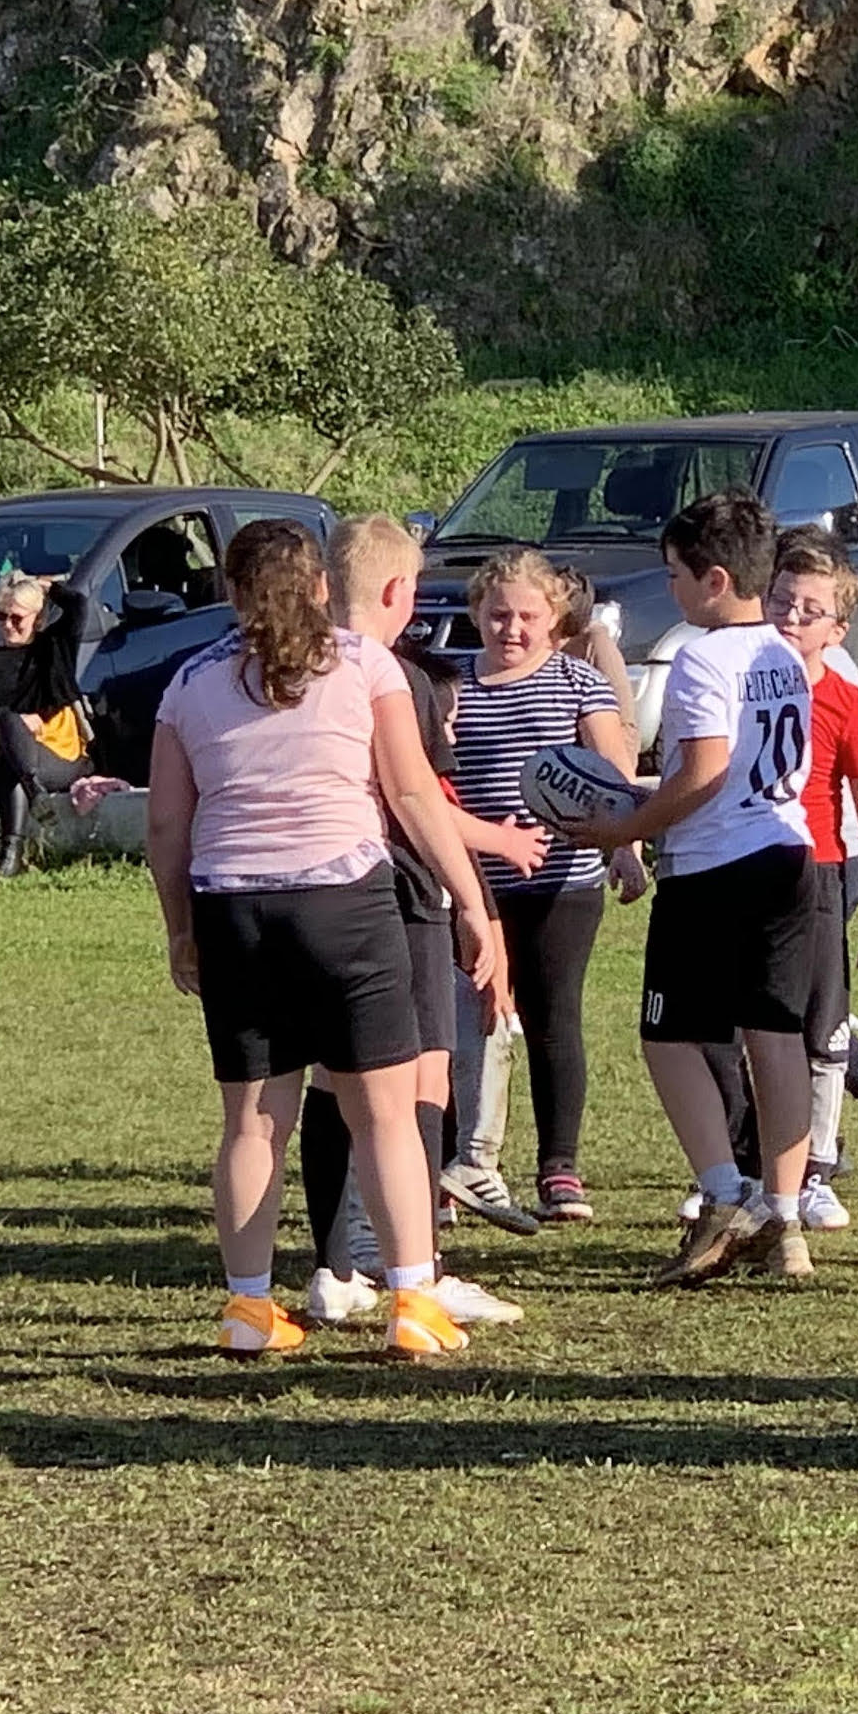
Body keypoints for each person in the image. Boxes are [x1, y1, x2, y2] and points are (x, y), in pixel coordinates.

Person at [150, 517, 505, 1359]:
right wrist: (471, 902)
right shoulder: (364, 664)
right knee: (383, 1111)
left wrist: (180, 927)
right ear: (319, 587)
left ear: (231, 592)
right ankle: (412, 1297)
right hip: (345, 903)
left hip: (235, 907)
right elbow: (412, 795)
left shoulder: (188, 682)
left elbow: (166, 824)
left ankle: (247, 1307)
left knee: (252, 1122)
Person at [559, 488, 822, 1286]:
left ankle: (724, 1193)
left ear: (715, 580)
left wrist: (625, 827)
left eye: (674, 573)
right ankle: (785, 1217)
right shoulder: (783, 652)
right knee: (775, 1035)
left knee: (668, 1035)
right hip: (787, 853)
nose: (668, 587)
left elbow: (705, 770)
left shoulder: (703, 657)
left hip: (716, 865)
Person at [298, 516, 530, 1327]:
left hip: (313, 889)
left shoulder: (292, 665)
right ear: (399, 590)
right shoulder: (399, 677)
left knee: (332, 1073)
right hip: (401, 887)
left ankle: (333, 1264)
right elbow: (420, 797)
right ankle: (417, 1266)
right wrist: (476, 898)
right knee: (425, 1073)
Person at [443, 547, 639, 1224]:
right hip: (475, 883)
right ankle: (453, 1162)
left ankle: (559, 1168)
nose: (513, 629)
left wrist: (625, 847)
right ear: (477, 613)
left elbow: (613, 772)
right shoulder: (452, 686)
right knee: (471, 1022)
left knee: (553, 1017)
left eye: (528, 616)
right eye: (499, 615)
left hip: (563, 882)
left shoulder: (577, 682)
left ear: (554, 617)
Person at [771, 531, 858, 1233]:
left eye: (809, 610)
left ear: (836, 630)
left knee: (822, 1028)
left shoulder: (845, 702)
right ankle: (742, 1169)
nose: (791, 618)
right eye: (781, 601)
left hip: (816, 871)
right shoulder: (739, 681)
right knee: (743, 1026)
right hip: (740, 869)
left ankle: (816, 1167)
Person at [0, 574, 93, 875]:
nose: (8, 625)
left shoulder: (53, 649)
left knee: (14, 762)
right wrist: (18, 724)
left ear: (38, 618)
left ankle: (11, 855)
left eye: (17, 618)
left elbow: (77, 606)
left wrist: (45, 585)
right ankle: (33, 794)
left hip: (54, 755)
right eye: (1, 616)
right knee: (10, 727)